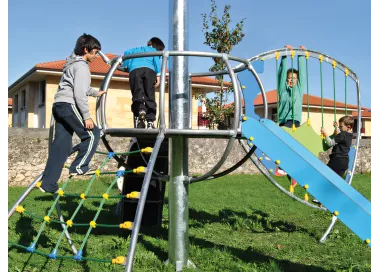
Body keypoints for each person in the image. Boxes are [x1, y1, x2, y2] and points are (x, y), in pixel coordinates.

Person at [40, 33, 106, 193]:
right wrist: (87, 117)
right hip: (69, 104)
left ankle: (47, 184)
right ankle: (79, 166)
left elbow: (79, 87)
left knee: (62, 145)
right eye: (95, 52)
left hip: (59, 105)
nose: (96, 56)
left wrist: (95, 93)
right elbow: (79, 94)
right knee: (92, 134)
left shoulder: (71, 64)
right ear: (86, 50)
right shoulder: (82, 66)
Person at [274, 45, 306, 186]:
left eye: (294, 78)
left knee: (287, 144)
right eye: (289, 78)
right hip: (282, 120)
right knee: (283, 145)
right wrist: (285, 56)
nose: (291, 79)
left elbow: (303, 73)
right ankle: (294, 174)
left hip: (294, 120)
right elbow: (280, 75)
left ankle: (284, 169)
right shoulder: (282, 89)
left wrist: (300, 56)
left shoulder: (299, 89)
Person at [122, 37, 165, 129]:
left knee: (137, 93)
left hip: (135, 70)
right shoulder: (154, 51)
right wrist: (158, 75)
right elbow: (157, 63)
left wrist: (126, 66)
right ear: (157, 46)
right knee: (149, 95)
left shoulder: (136, 50)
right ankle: (150, 121)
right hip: (149, 71)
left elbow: (126, 53)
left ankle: (141, 111)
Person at [313, 115, 354, 204]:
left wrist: (325, 133)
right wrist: (337, 127)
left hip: (337, 160)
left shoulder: (343, 134)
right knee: (334, 181)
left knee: (326, 177)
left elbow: (330, 142)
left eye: (341, 126)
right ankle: (327, 199)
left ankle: (322, 198)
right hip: (344, 161)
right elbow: (341, 136)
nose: (340, 127)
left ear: (349, 126)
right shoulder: (350, 134)